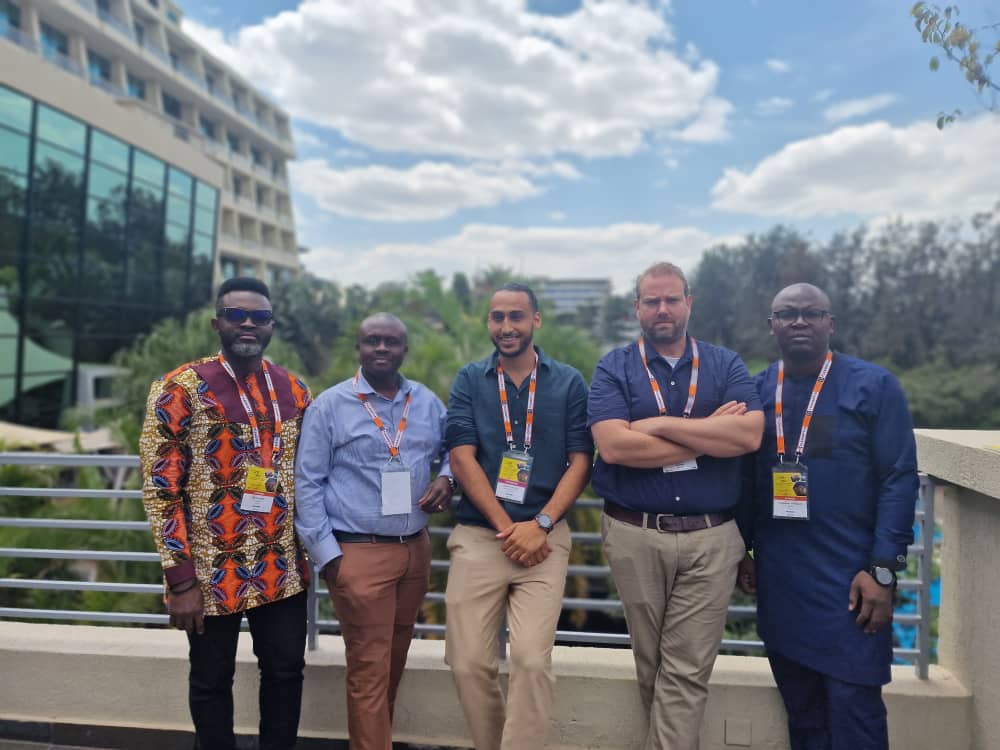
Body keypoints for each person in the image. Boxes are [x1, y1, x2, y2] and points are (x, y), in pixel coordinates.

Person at [588, 262, 763, 750]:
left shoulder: (725, 365)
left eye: (671, 299)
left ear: (689, 302)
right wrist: (710, 433)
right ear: (637, 308)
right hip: (634, 534)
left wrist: (654, 423)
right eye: (651, 301)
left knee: (685, 670)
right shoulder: (614, 367)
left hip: (712, 538)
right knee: (654, 665)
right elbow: (616, 448)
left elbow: (748, 434)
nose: (662, 309)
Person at [738, 283, 918, 750]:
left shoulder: (873, 387)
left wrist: (882, 568)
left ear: (830, 324)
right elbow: (744, 483)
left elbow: (899, 478)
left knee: (855, 711)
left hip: (852, 581)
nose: (800, 321)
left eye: (812, 313)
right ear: (772, 325)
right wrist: (744, 551)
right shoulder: (757, 392)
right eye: (788, 313)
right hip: (781, 579)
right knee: (805, 716)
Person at [139, 277, 311, 750]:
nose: (248, 324)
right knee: (212, 681)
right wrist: (180, 580)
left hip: (281, 568)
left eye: (260, 317)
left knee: (285, 675)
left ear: (272, 326)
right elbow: (161, 489)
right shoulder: (180, 389)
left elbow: (309, 477)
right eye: (237, 315)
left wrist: (308, 555)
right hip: (209, 572)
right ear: (218, 322)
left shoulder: (293, 390)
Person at [294, 313, 454, 750]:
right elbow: (307, 482)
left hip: (415, 552)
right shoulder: (330, 405)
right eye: (372, 341)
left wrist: (448, 478)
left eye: (391, 342)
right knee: (368, 668)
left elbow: (454, 448)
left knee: (394, 659)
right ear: (359, 348)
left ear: (404, 349)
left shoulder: (425, 402)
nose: (381, 349)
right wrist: (329, 558)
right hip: (358, 554)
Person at [444, 282, 592, 750]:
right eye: (497, 317)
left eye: (516, 316)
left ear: (536, 321)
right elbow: (462, 458)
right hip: (481, 536)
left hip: (544, 542)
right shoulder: (469, 379)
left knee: (530, 660)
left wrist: (541, 524)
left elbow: (581, 460)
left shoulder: (568, 382)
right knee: (467, 663)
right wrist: (509, 529)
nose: (506, 327)